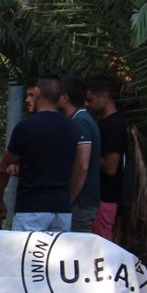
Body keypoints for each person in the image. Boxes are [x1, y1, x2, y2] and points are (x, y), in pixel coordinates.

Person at [0, 76, 79, 232]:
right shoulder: (71, 127)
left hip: (32, 209)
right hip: (62, 209)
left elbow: (5, 165)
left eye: (31, 94)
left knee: (26, 255)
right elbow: (78, 167)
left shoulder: (26, 127)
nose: (27, 99)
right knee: (57, 255)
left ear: (38, 92)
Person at [87, 75, 127, 240]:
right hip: (99, 197)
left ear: (104, 96)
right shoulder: (103, 123)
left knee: (101, 243)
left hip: (105, 197)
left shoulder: (113, 125)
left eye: (91, 100)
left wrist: (86, 154)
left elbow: (111, 167)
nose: (88, 105)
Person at [60, 75, 100, 233]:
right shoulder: (79, 120)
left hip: (80, 202)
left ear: (65, 97)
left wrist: (70, 198)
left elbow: (82, 165)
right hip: (81, 201)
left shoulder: (80, 122)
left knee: (76, 251)